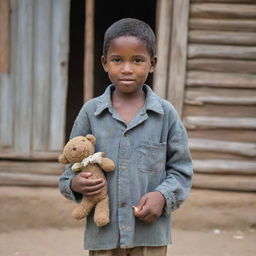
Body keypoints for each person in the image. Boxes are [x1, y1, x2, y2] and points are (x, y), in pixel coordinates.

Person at [59, 18, 193, 256]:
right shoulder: (90, 113)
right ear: (104, 63)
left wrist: (162, 196)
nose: (127, 69)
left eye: (137, 60)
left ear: (152, 64)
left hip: (149, 236)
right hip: (103, 236)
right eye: (117, 60)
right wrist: (76, 184)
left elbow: (181, 170)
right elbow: (70, 169)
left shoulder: (166, 114)